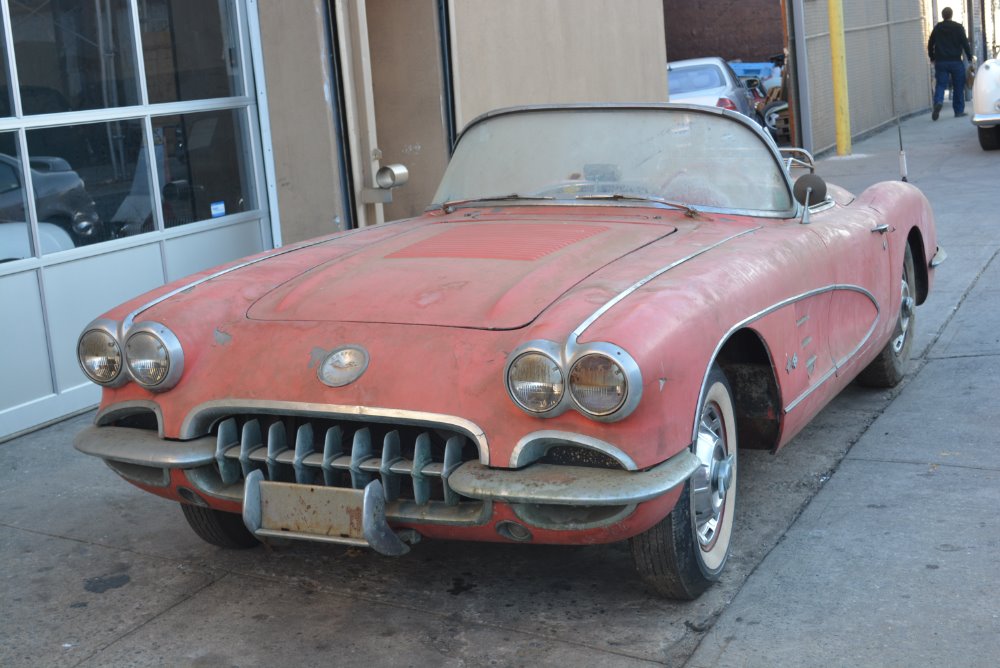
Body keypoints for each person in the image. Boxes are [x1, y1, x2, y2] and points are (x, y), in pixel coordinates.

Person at [927, 7, 974, 120]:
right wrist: (969, 57)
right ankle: (958, 111)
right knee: (958, 86)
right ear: (951, 15)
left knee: (941, 84)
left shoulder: (938, 28)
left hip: (941, 61)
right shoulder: (958, 27)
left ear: (943, 16)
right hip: (956, 61)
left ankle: (938, 102)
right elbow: (965, 43)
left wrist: (932, 57)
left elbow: (930, 43)